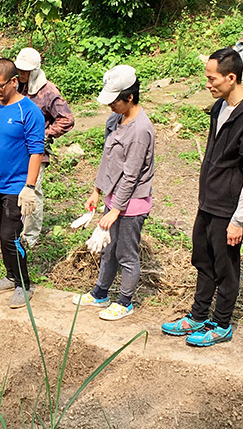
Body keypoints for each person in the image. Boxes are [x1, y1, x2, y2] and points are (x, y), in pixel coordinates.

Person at [161, 47, 243, 347]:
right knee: (203, 259)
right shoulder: (220, 107)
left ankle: (221, 323)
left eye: (212, 79)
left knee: (226, 266)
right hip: (208, 201)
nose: (208, 85)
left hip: (228, 208)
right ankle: (198, 314)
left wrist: (239, 218)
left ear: (231, 78)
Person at [71, 65, 154, 321]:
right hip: (114, 199)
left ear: (129, 97)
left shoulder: (140, 130)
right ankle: (100, 294)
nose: (110, 106)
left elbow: (131, 175)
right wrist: (97, 191)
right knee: (109, 249)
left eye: (115, 101)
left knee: (125, 253)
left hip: (131, 204)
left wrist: (116, 210)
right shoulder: (114, 120)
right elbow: (107, 161)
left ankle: (125, 302)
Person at [0, 58, 44, 309]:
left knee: (11, 237)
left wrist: (30, 187)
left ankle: (24, 284)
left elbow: (36, 151)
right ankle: (10, 275)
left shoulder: (29, 111)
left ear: (14, 82)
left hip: (17, 188)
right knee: (2, 236)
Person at [9, 47, 74, 248]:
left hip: (36, 152)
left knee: (32, 191)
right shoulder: (17, 87)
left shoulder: (48, 92)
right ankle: (12, 231)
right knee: (14, 190)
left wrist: (44, 134)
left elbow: (67, 119)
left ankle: (30, 236)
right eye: (19, 69)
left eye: (26, 71)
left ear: (35, 70)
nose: (21, 74)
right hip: (15, 151)